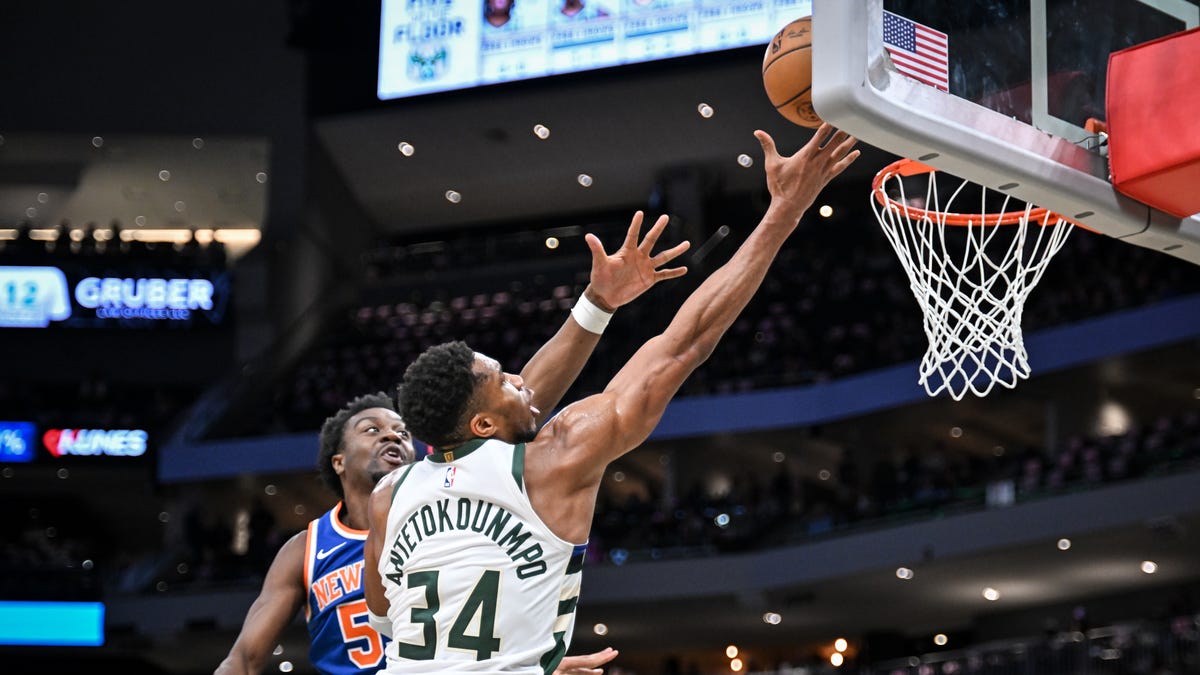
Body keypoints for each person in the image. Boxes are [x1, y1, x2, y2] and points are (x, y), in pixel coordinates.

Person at [364, 124, 859, 673]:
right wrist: (783, 212)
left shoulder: (389, 496)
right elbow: (683, 344)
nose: (523, 381)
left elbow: (389, 612)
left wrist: (529, 663)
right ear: (481, 424)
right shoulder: (561, 455)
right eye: (505, 379)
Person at [216, 213, 690, 675]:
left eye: (401, 429)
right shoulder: (310, 547)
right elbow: (244, 659)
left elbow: (519, 401)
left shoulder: (426, 488)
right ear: (337, 462)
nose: (392, 435)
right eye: (372, 429)